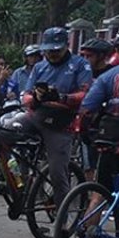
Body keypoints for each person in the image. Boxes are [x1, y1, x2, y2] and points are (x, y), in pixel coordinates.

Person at [76, 30, 119, 238]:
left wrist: (91, 136)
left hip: (107, 146)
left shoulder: (108, 77)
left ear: (118, 52)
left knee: (98, 194)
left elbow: (86, 109)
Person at [21, 26, 92, 203]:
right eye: (48, 50)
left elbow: (86, 94)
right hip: (36, 115)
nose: (52, 54)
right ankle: (12, 182)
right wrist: (35, 99)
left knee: (57, 174)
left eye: (56, 50)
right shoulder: (39, 66)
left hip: (61, 122)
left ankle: (63, 219)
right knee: (2, 132)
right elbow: (26, 94)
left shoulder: (80, 65)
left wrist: (63, 97)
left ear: (66, 46)